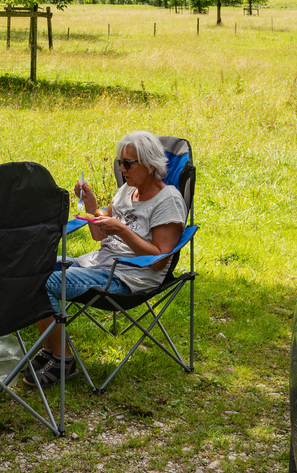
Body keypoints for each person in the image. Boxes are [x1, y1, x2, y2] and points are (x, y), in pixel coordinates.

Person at [34, 130, 186, 384]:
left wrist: (123, 231)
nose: (122, 169)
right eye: (120, 163)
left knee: (48, 283)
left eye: (128, 163)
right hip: (101, 263)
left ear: (150, 165)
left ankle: (63, 360)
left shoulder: (167, 201)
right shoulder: (127, 190)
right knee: (32, 269)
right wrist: (93, 208)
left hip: (130, 276)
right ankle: (50, 350)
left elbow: (159, 259)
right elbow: (97, 234)